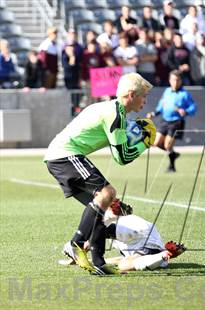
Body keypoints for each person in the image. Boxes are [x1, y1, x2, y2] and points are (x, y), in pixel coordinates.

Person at [44, 73, 156, 275]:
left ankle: (99, 262)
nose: (145, 101)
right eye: (143, 96)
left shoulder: (112, 110)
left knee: (103, 208)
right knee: (107, 193)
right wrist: (144, 144)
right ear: (131, 94)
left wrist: (136, 133)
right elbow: (121, 157)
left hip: (59, 156)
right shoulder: (115, 113)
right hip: (65, 155)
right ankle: (75, 244)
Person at [61, 203, 186, 272]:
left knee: (124, 266)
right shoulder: (139, 253)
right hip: (136, 229)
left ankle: (166, 254)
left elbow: (90, 242)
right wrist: (78, 259)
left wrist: (75, 257)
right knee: (122, 261)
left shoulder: (145, 254)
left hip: (140, 235)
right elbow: (114, 259)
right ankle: (110, 214)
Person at [146, 70, 197, 172]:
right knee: (155, 143)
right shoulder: (167, 91)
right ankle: (173, 154)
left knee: (167, 145)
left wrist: (185, 111)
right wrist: (154, 113)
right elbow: (161, 106)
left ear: (181, 81)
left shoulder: (185, 94)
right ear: (170, 81)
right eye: (173, 80)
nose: (175, 82)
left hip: (176, 122)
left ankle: (171, 167)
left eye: (178, 80)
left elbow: (193, 107)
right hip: (164, 121)